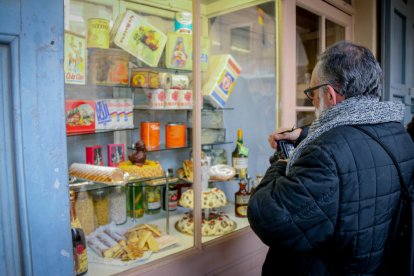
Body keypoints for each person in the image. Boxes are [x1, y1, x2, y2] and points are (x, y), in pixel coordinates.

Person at [247, 41, 414, 275]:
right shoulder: (400, 135)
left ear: (330, 94)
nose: (312, 101)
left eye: (312, 93)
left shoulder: (324, 154)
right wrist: (304, 136)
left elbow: (268, 218)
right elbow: (356, 145)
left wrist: (284, 159)